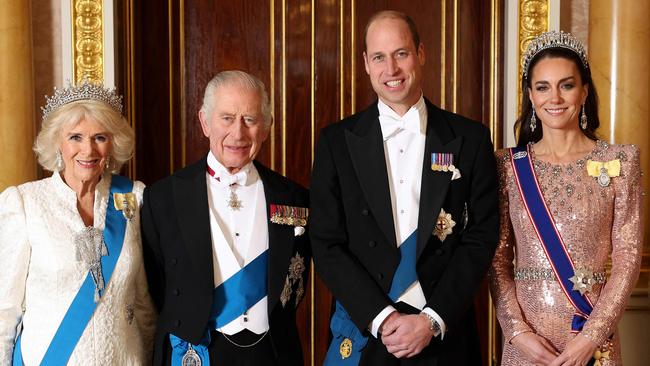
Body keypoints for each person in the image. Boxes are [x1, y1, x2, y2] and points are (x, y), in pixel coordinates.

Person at [310, 10, 499, 365]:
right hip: (368, 333)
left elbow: (482, 236)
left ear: (421, 54)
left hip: (445, 334)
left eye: (401, 53)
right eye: (379, 57)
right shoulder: (336, 142)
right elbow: (325, 242)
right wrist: (383, 319)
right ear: (366, 63)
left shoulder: (470, 138)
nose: (391, 69)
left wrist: (432, 319)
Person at [490, 31, 643, 366]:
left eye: (567, 85)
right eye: (542, 87)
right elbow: (498, 260)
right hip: (528, 346)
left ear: (585, 90)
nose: (554, 97)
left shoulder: (621, 161)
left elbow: (627, 259)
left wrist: (592, 335)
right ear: (530, 95)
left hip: (592, 343)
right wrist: (517, 332)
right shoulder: (508, 167)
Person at [141, 70, 310, 366]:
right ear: (205, 122)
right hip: (195, 352)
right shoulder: (163, 197)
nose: (238, 134)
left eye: (250, 119)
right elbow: (155, 286)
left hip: (272, 354)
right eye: (227, 118)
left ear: (267, 127)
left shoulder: (294, 198)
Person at [0, 80, 156, 365]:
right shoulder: (25, 204)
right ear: (57, 141)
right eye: (75, 137)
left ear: (113, 142)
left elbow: (143, 301)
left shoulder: (133, 198)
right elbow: (4, 312)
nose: (88, 150)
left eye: (100, 137)